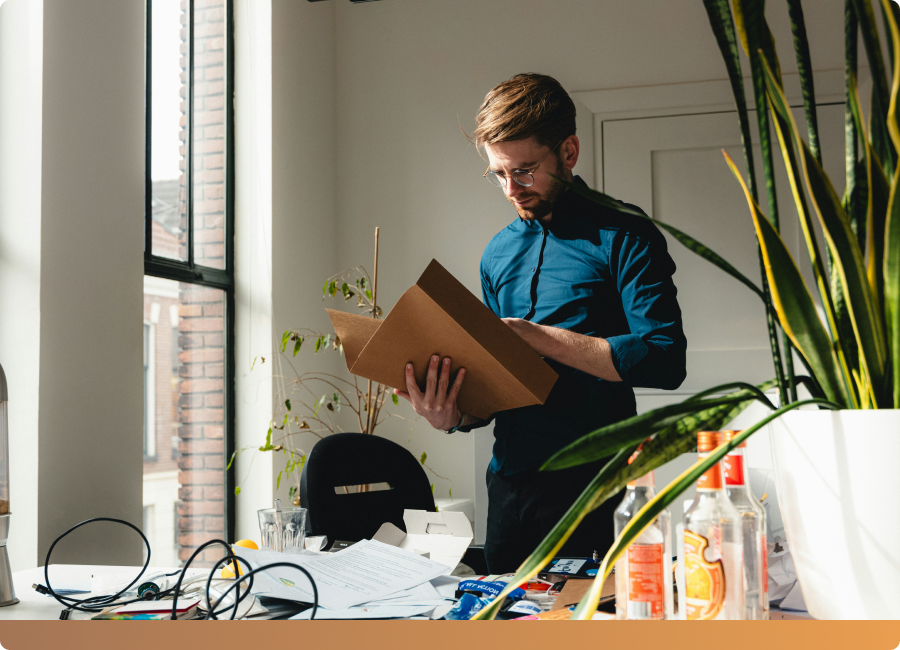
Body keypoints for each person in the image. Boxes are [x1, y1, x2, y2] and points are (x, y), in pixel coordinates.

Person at [393, 73, 687, 574]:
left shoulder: (626, 234)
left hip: (598, 488)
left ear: (568, 152)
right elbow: (494, 389)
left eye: (525, 171)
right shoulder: (497, 253)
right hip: (510, 493)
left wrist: (538, 338)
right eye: (499, 174)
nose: (512, 189)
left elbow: (664, 358)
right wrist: (453, 416)